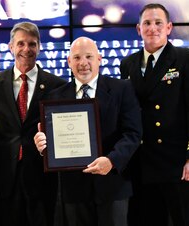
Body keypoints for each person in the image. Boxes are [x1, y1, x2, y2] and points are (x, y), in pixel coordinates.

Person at [120, 3, 189, 226]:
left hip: (179, 163)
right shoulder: (128, 64)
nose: (153, 28)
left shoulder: (186, 59)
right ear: (138, 29)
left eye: (158, 23)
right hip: (142, 162)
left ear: (169, 27)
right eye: (147, 23)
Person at [34, 37, 142, 226]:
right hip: (74, 189)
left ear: (99, 59)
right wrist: (43, 144)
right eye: (76, 58)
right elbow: (50, 141)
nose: (83, 63)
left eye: (89, 56)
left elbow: (133, 134)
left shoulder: (121, 89)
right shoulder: (55, 97)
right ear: (69, 62)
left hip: (113, 184)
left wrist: (111, 161)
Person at [0, 21, 67, 226]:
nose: (26, 49)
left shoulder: (57, 85)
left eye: (32, 44)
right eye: (20, 44)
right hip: (6, 178)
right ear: (11, 47)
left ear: (39, 46)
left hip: (43, 178)